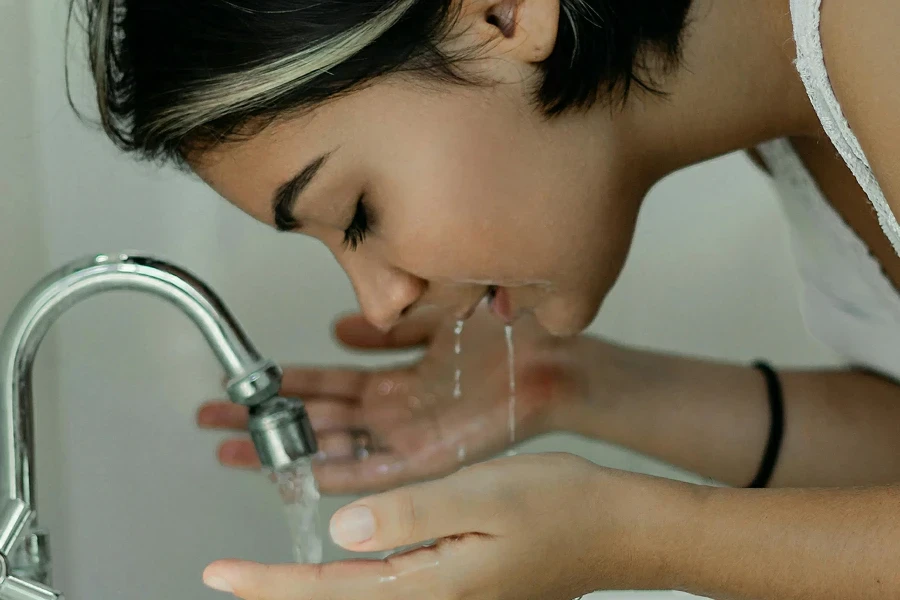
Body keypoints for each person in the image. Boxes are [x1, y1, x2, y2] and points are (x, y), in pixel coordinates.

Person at [70, 0, 900, 597]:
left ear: (502, 15)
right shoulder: (788, 111)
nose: (385, 302)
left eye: (359, 213)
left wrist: (635, 537)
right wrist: (573, 385)